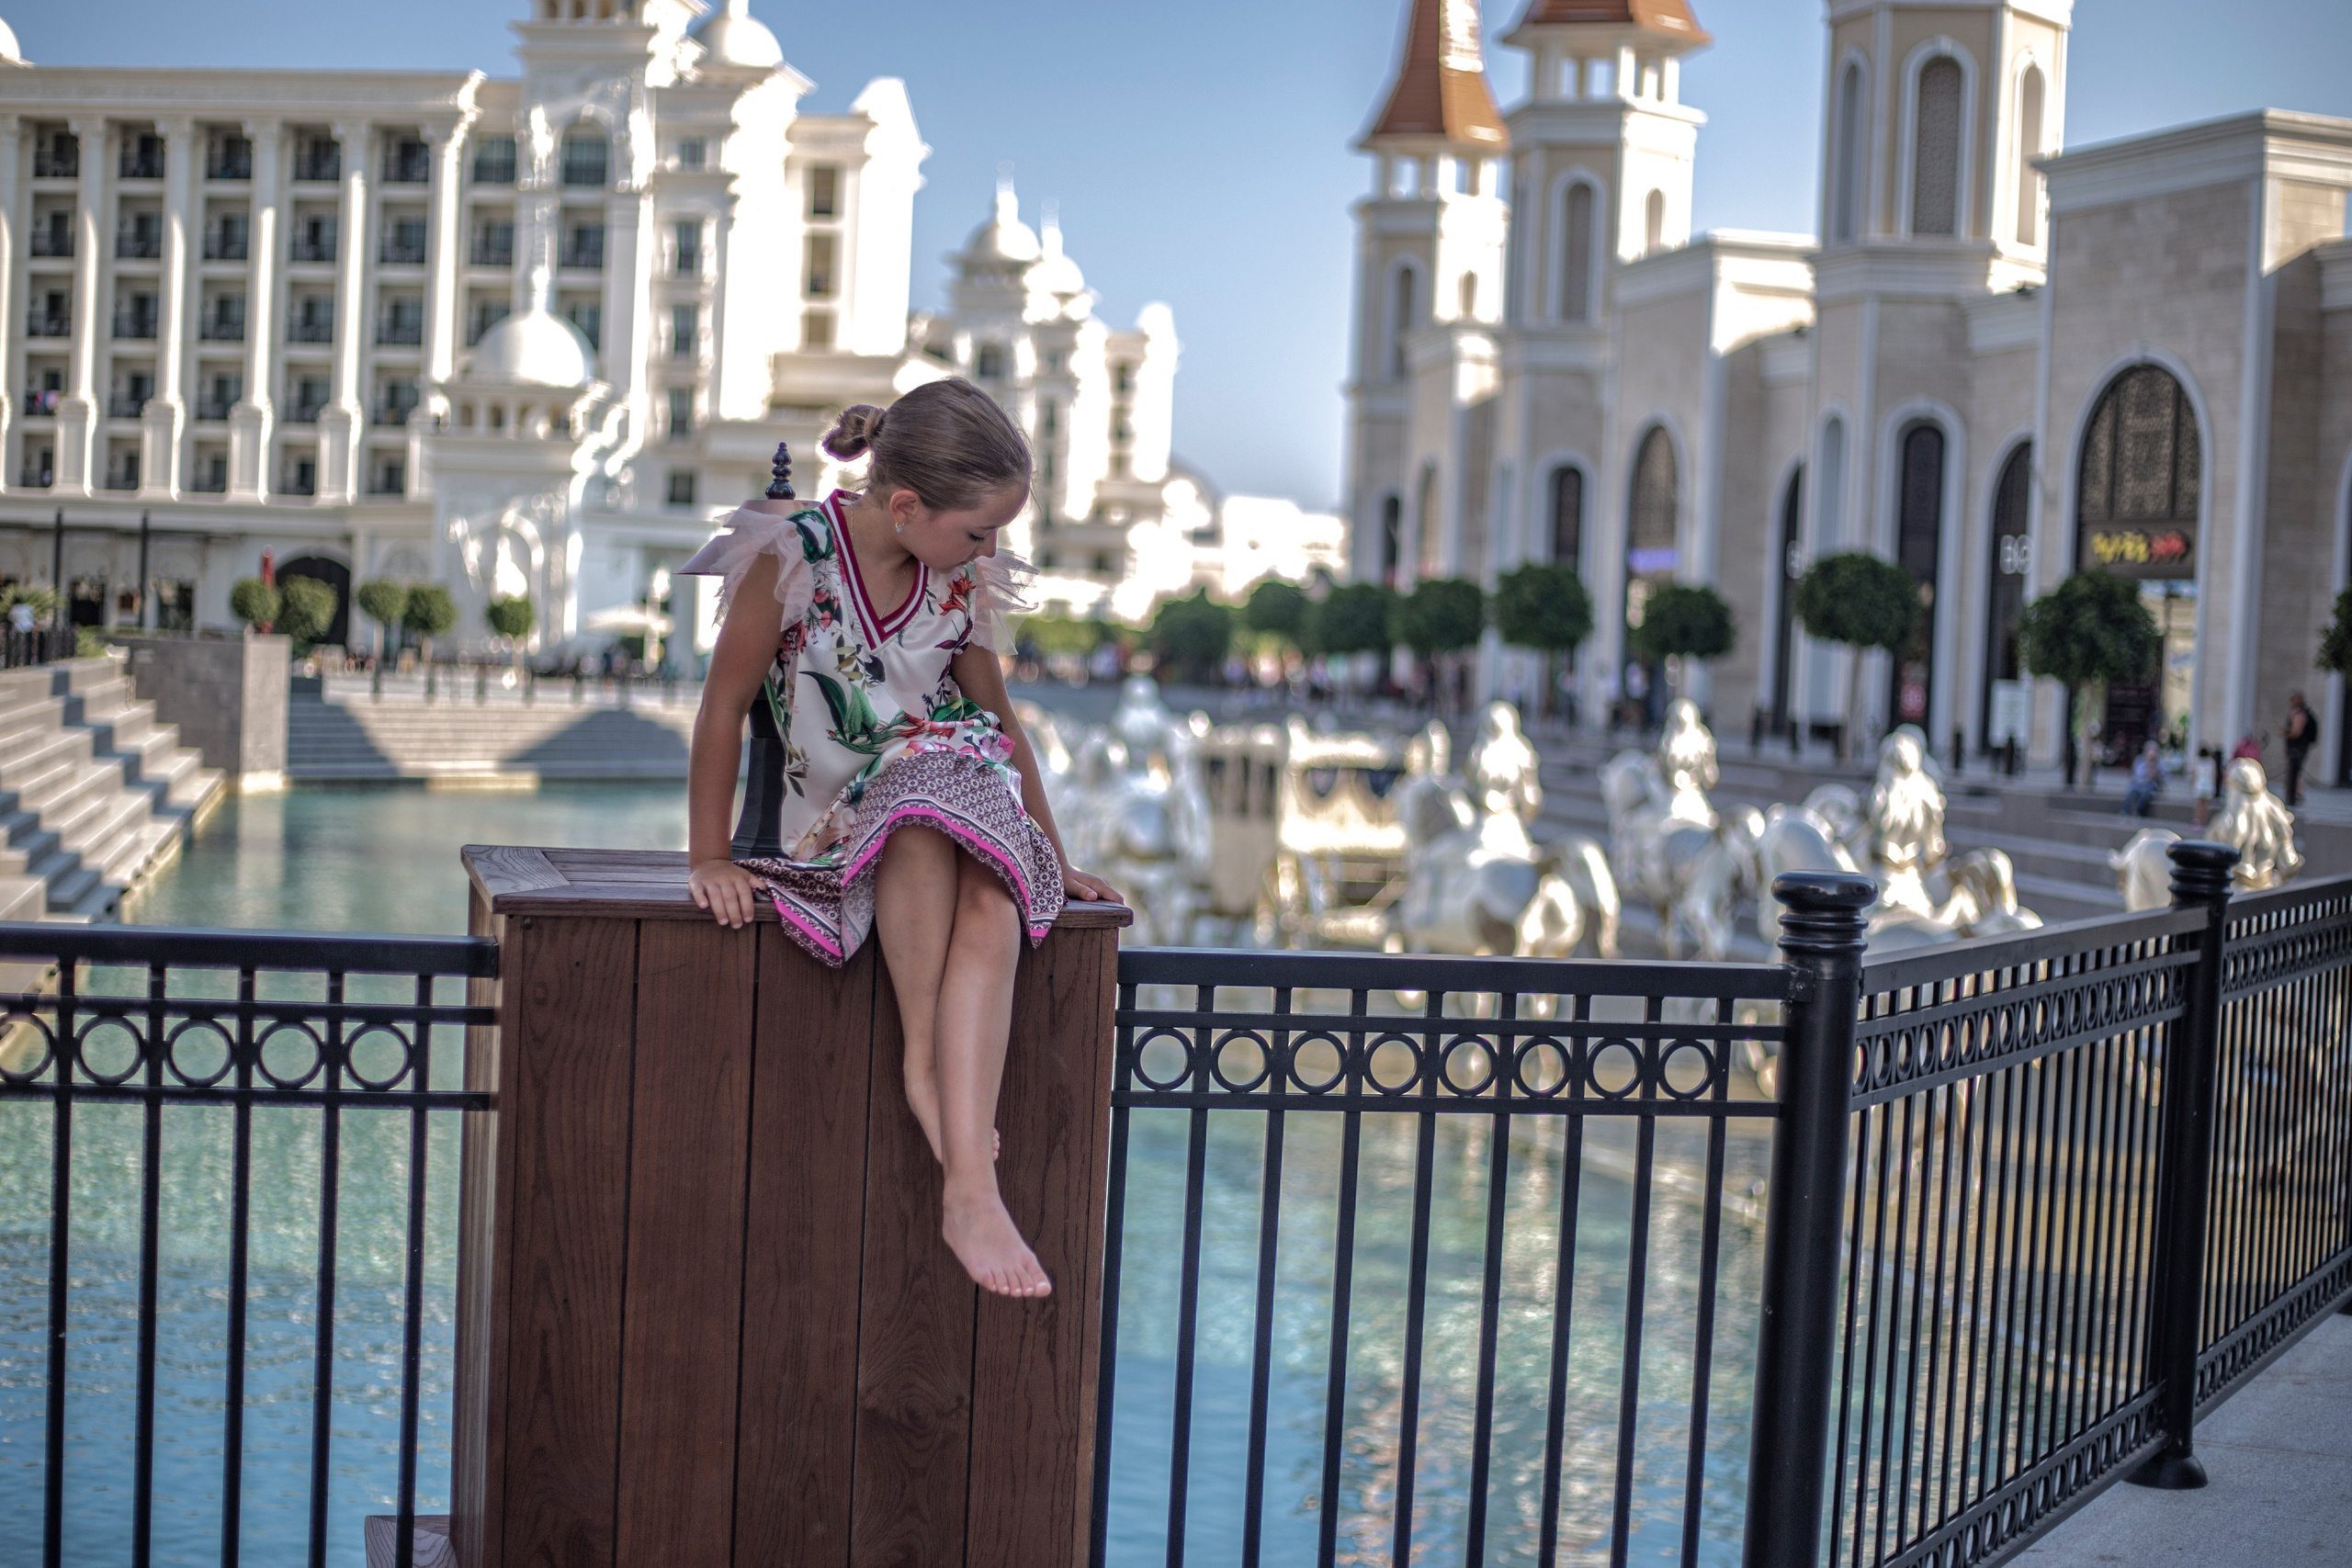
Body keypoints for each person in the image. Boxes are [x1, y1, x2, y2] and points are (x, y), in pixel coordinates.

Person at [683, 381, 1122, 1300]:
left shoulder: (956, 580)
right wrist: (709, 857)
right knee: (917, 820)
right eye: (977, 531)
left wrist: (1053, 850)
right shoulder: (794, 558)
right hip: (851, 813)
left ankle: (965, 1177)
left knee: (994, 886)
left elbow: (998, 720)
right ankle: (939, 1095)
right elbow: (722, 708)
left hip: (957, 783)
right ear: (907, 505)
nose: (989, 550)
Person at [2282, 691, 2318, 807]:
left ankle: (2295, 794)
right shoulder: (2303, 712)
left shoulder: (2299, 714)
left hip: (2297, 746)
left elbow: (2296, 732)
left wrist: (2284, 732)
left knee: (2295, 770)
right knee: (2297, 770)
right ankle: (2296, 794)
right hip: (2300, 746)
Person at [2120, 739, 2164, 817]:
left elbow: (2164, 776)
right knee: (2131, 791)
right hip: (2139, 784)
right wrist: (2147, 764)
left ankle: (2138, 813)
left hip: (2151, 786)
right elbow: (2137, 774)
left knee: (2146, 795)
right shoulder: (2139, 760)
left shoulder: (2159, 762)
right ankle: (2124, 811)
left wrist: (2153, 767)